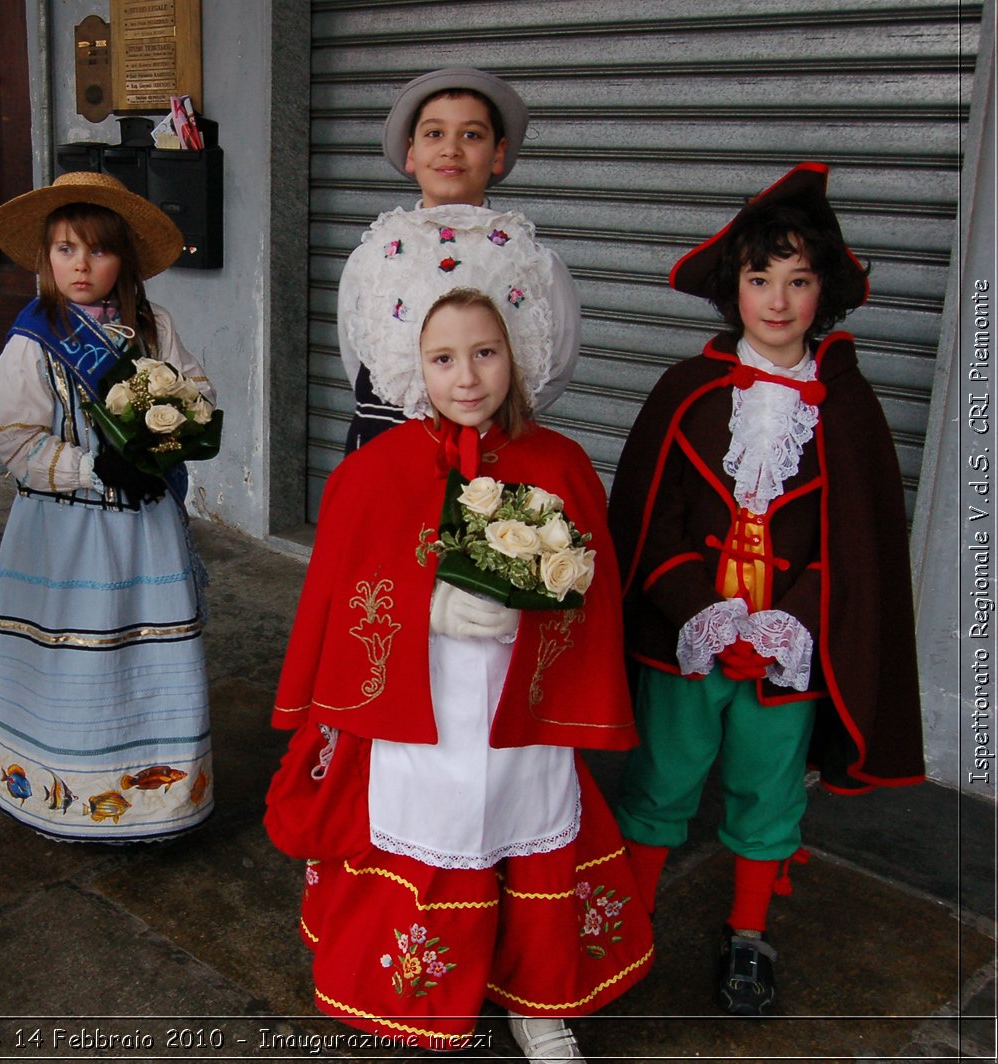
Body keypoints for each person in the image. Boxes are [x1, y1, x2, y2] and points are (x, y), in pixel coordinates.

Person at [269, 287, 652, 1063]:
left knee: (527, 820)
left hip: (522, 711)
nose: (467, 376)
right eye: (444, 358)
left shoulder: (562, 463)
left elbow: (596, 589)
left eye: (486, 352)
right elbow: (341, 595)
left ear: (519, 355)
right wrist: (427, 610)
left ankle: (538, 1007)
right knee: (434, 825)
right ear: (415, 367)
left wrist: (542, 602)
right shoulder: (375, 470)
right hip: (421, 710)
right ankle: (415, 990)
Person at [607, 162, 924, 1016]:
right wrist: (700, 614)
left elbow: (857, 552)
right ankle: (628, 920)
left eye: (798, 280)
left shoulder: (849, 408)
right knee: (662, 778)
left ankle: (748, 934)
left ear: (825, 292)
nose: (778, 301)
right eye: (760, 280)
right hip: (688, 639)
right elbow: (649, 521)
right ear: (734, 289)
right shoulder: (686, 391)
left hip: (789, 649)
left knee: (768, 789)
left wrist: (789, 625)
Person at [0, 171, 215, 842]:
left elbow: (195, 393)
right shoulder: (32, 341)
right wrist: (92, 465)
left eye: (97, 250)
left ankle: (159, 801)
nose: (80, 266)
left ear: (125, 260)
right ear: (46, 259)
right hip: (64, 534)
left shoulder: (154, 326)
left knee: (144, 649)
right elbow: (17, 443)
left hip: (145, 525)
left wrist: (168, 442)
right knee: (74, 654)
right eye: (63, 249)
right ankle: (60, 796)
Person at [337, 66, 580, 453]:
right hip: (388, 452)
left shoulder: (535, 264)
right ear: (412, 152)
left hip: (494, 455)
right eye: (435, 133)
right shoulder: (372, 259)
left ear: (498, 153)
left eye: (471, 134)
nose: (451, 148)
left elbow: (553, 370)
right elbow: (359, 357)